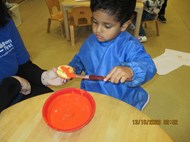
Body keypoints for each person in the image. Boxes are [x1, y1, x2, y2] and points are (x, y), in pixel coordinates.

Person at [61, 0, 157, 110]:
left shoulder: (129, 45)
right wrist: (73, 68)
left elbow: (148, 65)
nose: (98, 30)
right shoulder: (91, 40)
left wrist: (131, 70)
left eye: (107, 26)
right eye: (95, 22)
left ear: (124, 25)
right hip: (93, 94)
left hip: (121, 99)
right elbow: (81, 58)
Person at [0, 0, 65, 112]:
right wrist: (14, 83)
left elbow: (23, 65)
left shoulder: (4, 21)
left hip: (18, 92)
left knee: (56, 104)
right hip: (6, 99)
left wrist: (43, 77)